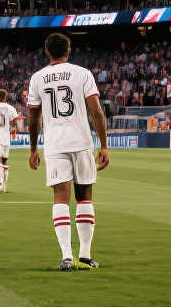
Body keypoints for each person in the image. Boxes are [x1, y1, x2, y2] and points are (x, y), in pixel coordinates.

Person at [27, 33, 109, 271]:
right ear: (69, 49)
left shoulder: (37, 78)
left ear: (46, 51)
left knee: (60, 198)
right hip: (82, 142)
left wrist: (33, 148)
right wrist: (104, 145)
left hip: (55, 144)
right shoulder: (82, 73)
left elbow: (34, 117)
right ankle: (85, 256)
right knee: (85, 197)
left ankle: (66, 256)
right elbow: (96, 112)